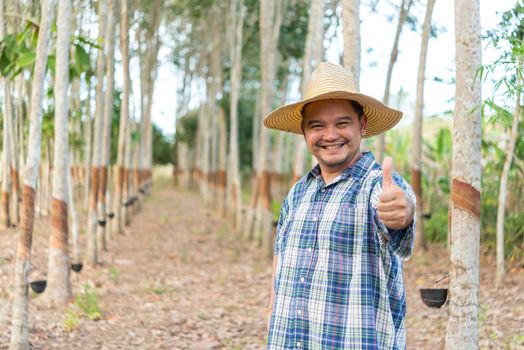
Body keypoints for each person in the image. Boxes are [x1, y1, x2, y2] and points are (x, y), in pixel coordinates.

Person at [263, 62, 416, 349]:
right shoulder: (298, 192)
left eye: (342, 123)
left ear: (362, 125)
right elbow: (281, 254)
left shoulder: (377, 185)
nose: (330, 135)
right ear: (304, 132)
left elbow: (398, 214)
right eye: (317, 125)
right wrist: (272, 307)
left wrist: (402, 213)